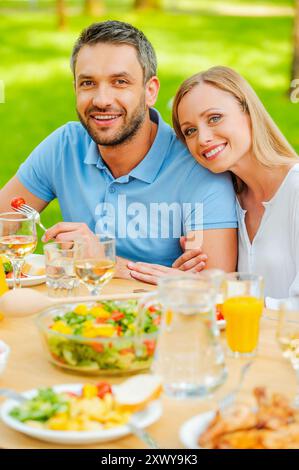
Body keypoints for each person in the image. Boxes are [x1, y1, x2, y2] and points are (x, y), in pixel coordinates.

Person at [0, 22, 237, 278]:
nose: (101, 100)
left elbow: (215, 286)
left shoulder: (196, 166)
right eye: (88, 83)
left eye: (120, 82)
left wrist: (104, 259)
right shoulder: (64, 145)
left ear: (150, 91)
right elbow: (5, 225)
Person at [130, 65, 299, 300]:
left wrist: (215, 290)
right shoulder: (226, 199)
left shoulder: (295, 190)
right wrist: (194, 274)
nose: (203, 138)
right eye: (190, 131)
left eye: (215, 118)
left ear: (248, 112)